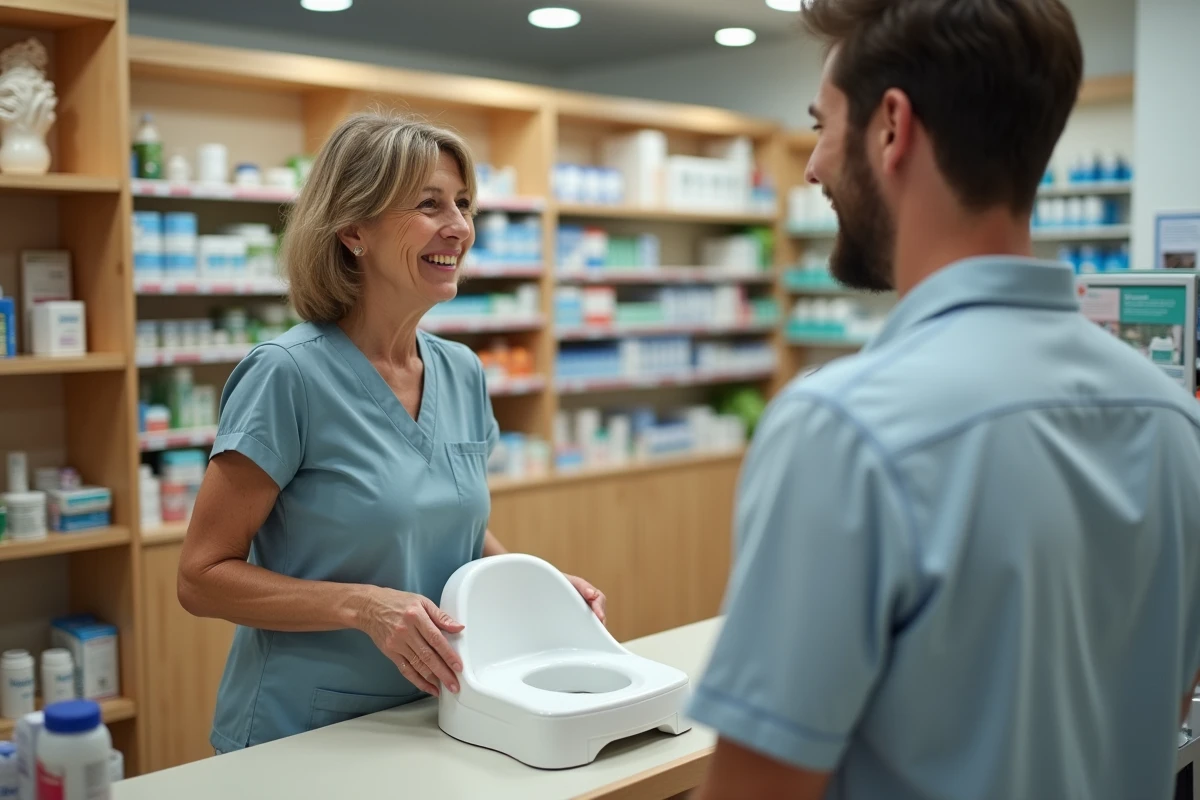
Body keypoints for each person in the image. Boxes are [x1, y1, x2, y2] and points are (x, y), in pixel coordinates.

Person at [689, 1, 1200, 798]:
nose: (813, 167)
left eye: (823, 126)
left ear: (892, 128)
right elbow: (1158, 711)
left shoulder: (843, 429)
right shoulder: (1174, 426)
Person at [177, 113, 607, 754]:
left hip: (436, 709)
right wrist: (363, 606)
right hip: (303, 729)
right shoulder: (287, 374)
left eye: (463, 204)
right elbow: (200, 577)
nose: (459, 227)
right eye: (430, 205)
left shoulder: (461, 371)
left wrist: (532, 585)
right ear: (354, 230)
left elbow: (450, 528)